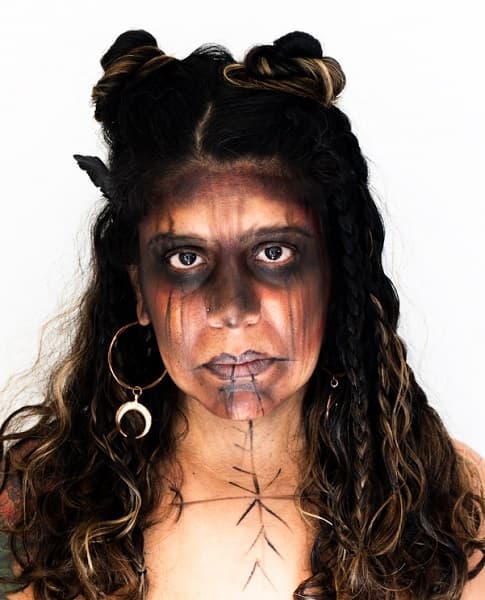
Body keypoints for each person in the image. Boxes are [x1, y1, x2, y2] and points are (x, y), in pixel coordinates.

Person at [0, 29, 484, 600]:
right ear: (139, 291)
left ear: (335, 276)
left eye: (273, 252)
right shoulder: (33, 506)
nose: (232, 311)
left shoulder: (449, 502)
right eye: (186, 258)